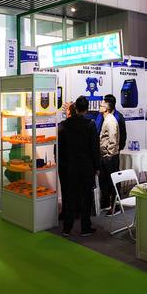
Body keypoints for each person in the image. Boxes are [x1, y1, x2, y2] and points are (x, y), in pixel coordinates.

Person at [58, 96, 100, 237]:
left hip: (70, 166)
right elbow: (94, 148)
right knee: (86, 197)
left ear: (75, 108)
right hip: (86, 167)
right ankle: (85, 227)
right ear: (87, 109)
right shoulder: (90, 125)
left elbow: (60, 148)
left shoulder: (64, 125)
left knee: (70, 197)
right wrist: (97, 166)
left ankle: (67, 228)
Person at [98, 96, 121, 215]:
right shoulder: (106, 119)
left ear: (106, 109)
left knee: (112, 183)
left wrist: (109, 155)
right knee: (104, 181)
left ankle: (115, 207)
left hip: (110, 157)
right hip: (105, 156)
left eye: (101, 105)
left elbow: (113, 140)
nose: (99, 107)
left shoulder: (110, 121)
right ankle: (107, 204)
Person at [58, 102, 77, 221]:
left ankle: (66, 212)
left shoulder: (62, 126)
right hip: (77, 162)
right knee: (76, 188)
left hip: (65, 163)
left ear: (69, 112)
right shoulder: (85, 125)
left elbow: (58, 146)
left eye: (67, 108)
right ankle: (76, 211)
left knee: (65, 189)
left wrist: (57, 159)